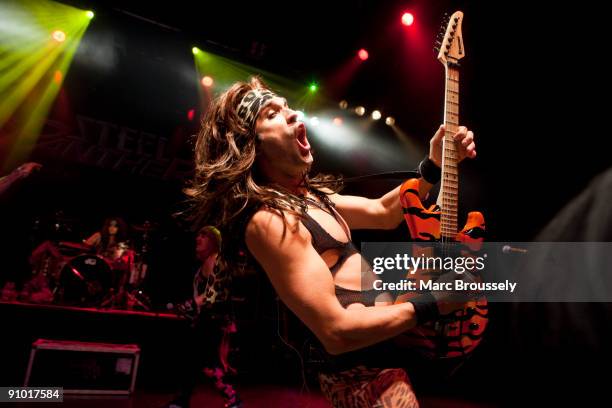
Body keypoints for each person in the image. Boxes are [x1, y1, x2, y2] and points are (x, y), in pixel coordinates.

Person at [186, 77, 476, 407]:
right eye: (272, 113)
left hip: (386, 358)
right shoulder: (270, 220)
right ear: (251, 144)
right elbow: (335, 332)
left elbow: (383, 212)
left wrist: (435, 163)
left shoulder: (312, 198)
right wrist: (433, 303)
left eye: (287, 105)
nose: (294, 113)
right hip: (359, 379)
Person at [166, 226, 241, 408]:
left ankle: (231, 399)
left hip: (215, 320)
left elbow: (213, 294)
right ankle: (185, 400)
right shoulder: (206, 264)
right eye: (198, 235)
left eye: (204, 235)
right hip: (208, 319)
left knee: (202, 363)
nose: (198, 238)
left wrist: (189, 305)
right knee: (197, 363)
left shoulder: (215, 260)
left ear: (214, 241)